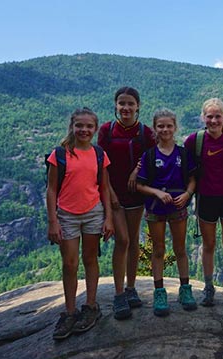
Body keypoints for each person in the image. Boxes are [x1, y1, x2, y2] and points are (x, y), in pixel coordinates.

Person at [47, 107, 114, 340]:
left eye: (89, 126)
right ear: (72, 126)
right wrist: (52, 221)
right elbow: (51, 189)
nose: (84, 130)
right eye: (80, 125)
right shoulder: (60, 154)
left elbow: (104, 188)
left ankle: (91, 306)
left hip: (93, 212)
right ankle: (69, 311)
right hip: (67, 215)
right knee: (70, 263)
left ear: (95, 129)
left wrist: (109, 217)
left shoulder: (99, 154)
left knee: (90, 259)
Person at [98, 86, 156, 320]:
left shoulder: (145, 132)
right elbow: (100, 164)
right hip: (113, 195)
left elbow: (153, 156)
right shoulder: (106, 130)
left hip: (136, 195)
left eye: (130, 104)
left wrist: (138, 170)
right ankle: (119, 293)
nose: (126, 108)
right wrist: (109, 194)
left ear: (138, 106)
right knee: (122, 240)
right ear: (115, 105)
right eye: (122, 103)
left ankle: (131, 288)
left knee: (133, 242)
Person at [136, 109, 198, 316]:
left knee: (180, 248)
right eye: (160, 126)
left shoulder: (183, 154)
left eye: (169, 125)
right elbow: (139, 185)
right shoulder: (150, 155)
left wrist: (188, 194)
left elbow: (192, 179)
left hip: (178, 206)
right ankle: (159, 292)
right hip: (156, 208)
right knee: (158, 250)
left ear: (175, 127)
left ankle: (185, 290)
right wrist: (155, 193)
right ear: (155, 129)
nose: (165, 129)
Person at [184, 98, 223, 308]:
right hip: (206, 199)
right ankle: (208, 289)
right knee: (208, 244)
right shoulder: (194, 140)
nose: (214, 120)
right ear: (203, 118)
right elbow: (183, 166)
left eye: (218, 116)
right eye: (209, 116)